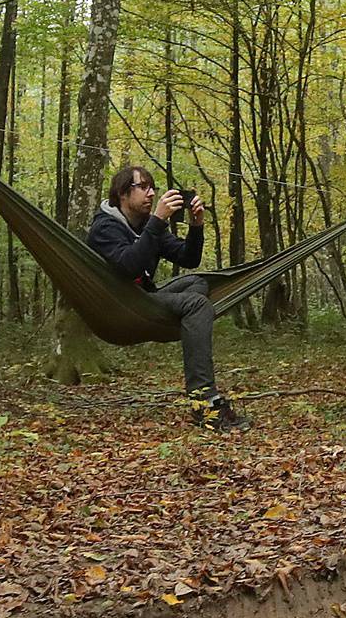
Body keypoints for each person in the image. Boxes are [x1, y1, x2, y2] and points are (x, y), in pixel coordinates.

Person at [87, 165, 246, 431]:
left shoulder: (149, 227)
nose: (151, 194)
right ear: (123, 193)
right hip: (123, 306)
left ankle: (186, 319)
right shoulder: (104, 228)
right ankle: (204, 402)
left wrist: (196, 227)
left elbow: (188, 258)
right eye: (144, 187)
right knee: (197, 304)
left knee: (198, 283)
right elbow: (129, 266)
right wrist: (158, 221)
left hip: (146, 299)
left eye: (153, 188)